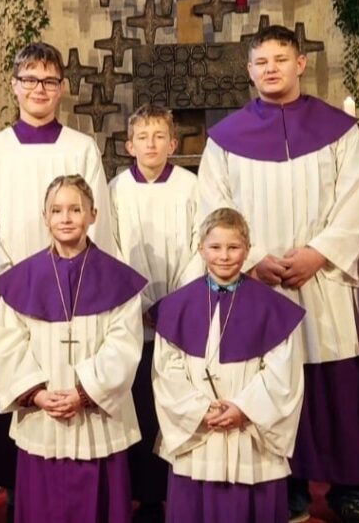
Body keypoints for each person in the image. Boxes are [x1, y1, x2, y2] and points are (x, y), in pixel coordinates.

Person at [195, 23, 359, 523]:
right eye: (261, 62)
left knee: (339, 384)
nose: (271, 69)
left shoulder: (339, 131)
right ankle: (289, 486)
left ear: (300, 64)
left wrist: (319, 253)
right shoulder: (225, 139)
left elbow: (357, 200)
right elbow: (213, 205)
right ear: (249, 71)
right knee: (270, 382)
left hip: (324, 282)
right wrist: (253, 257)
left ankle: (352, 489)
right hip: (260, 282)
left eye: (280, 59)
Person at [0, 41, 120, 515]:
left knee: (71, 387)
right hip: (14, 294)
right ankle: (20, 492)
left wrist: (92, 284)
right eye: (30, 79)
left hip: (77, 295)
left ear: (61, 88)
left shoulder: (81, 147)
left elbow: (100, 220)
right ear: (15, 86)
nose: (39, 89)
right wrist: (15, 284)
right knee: (21, 386)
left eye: (49, 81)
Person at [0, 174, 146, 522]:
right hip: (42, 419)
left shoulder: (118, 279)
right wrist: (38, 394)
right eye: (57, 210)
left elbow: (123, 346)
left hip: (97, 422)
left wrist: (82, 392)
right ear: (45, 217)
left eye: (76, 209)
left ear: (93, 215)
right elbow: (7, 345)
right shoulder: (23, 280)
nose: (66, 218)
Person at [152, 208, 306, 523]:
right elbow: (166, 370)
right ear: (200, 249)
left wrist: (243, 409)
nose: (224, 256)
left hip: (249, 435)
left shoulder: (272, 308)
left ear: (247, 250)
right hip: (198, 434)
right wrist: (198, 410)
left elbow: (283, 374)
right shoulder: (176, 306)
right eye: (215, 247)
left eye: (233, 247)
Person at [108, 103, 198, 523]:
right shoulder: (115, 190)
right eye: (142, 137)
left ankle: (176, 488)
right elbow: (110, 250)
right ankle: (145, 496)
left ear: (173, 143)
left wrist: (173, 305)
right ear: (129, 145)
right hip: (132, 316)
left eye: (159, 136)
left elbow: (201, 245)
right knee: (141, 404)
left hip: (179, 312)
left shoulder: (190, 186)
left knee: (174, 400)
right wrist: (139, 305)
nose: (151, 144)